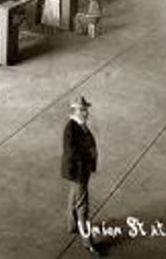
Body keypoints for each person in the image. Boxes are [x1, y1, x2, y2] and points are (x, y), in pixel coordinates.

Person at [62, 96, 100, 256]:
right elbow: (71, 152)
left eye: (86, 109)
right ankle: (88, 242)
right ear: (74, 111)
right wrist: (87, 158)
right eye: (82, 110)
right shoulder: (71, 128)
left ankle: (72, 226)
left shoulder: (80, 125)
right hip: (78, 171)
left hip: (80, 170)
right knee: (82, 206)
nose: (85, 112)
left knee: (74, 197)